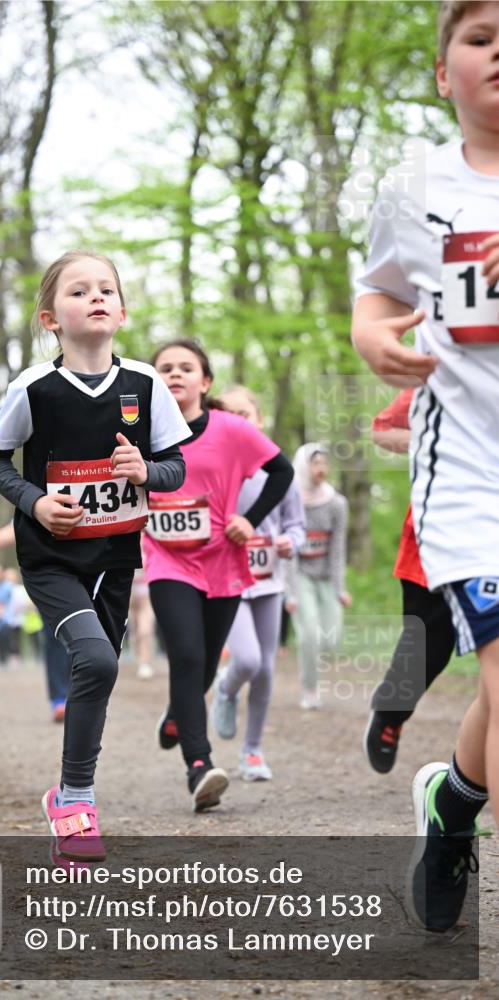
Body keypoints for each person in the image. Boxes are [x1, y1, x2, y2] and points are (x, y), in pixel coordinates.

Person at [352, 0, 499, 933]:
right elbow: (376, 295)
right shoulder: (415, 189)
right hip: (471, 477)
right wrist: (373, 340)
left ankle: (455, 804)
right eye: (482, 38)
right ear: (444, 72)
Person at [0, 250, 189, 860]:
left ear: (121, 311)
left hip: (117, 557)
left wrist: (146, 470)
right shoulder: (33, 388)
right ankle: (76, 801)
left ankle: (69, 795)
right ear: (51, 318)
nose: (94, 297)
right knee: (96, 661)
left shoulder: (145, 384)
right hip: (51, 556)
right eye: (78, 291)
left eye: (105, 289)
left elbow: (177, 467)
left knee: (100, 669)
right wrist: (36, 501)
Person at [144, 339, 294, 810]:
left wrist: (251, 519)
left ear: (205, 381)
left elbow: (282, 472)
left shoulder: (231, 429)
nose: (174, 374)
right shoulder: (139, 432)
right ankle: (199, 766)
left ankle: (177, 714)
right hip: (167, 559)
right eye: (164, 368)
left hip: (223, 558)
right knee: (186, 655)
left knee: (207, 662)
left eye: (185, 367)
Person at [211, 385, 306, 781]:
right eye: (228, 415)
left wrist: (290, 542)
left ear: (259, 420)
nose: (237, 422)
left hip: (268, 579)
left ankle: (252, 752)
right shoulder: (214, 464)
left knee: (266, 669)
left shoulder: (278, 469)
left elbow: (297, 525)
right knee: (247, 660)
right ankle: (226, 690)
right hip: (226, 578)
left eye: (244, 415)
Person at [364, 388, 456, 773]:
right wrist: (438, 440)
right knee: (430, 643)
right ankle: (391, 712)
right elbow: (382, 430)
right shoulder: (441, 376)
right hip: (436, 531)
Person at [0, 522, 71, 722]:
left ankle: (85, 698)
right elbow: (21, 524)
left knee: (91, 645)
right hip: (52, 577)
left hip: (95, 574)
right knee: (55, 637)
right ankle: (60, 700)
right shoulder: (44, 492)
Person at [285, 444, 351, 709]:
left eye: (325, 463)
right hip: (301, 575)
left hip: (326, 575)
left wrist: (340, 589)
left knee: (331, 638)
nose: (321, 469)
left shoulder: (337, 504)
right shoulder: (290, 502)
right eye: (315, 463)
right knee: (309, 635)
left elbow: (338, 548)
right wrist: (289, 594)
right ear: (303, 466)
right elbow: (288, 550)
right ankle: (310, 689)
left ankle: (313, 661)